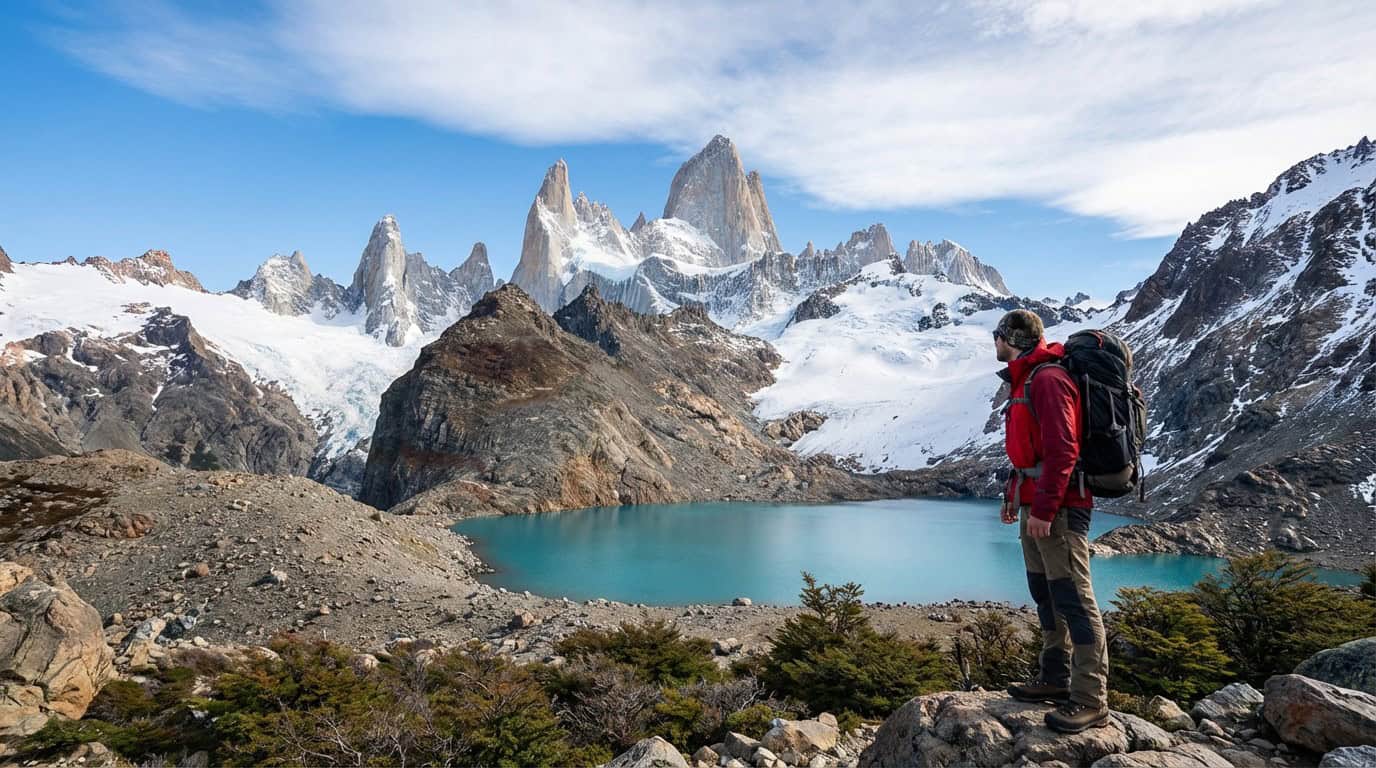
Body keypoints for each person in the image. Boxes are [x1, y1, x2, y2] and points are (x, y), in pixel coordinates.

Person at [993, 309, 1109, 733]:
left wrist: (1043, 510)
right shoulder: (1026, 379)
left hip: (1060, 508)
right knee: (1045, 592)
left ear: (1012, 338)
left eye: (997, 335)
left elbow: (1063, 450)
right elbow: (1031, 451)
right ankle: (1055, 678)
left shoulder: (1048, 379)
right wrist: (1015, 497)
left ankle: (1091, 698)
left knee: (1073, 597)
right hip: (1036, 504)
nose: (994, 342)